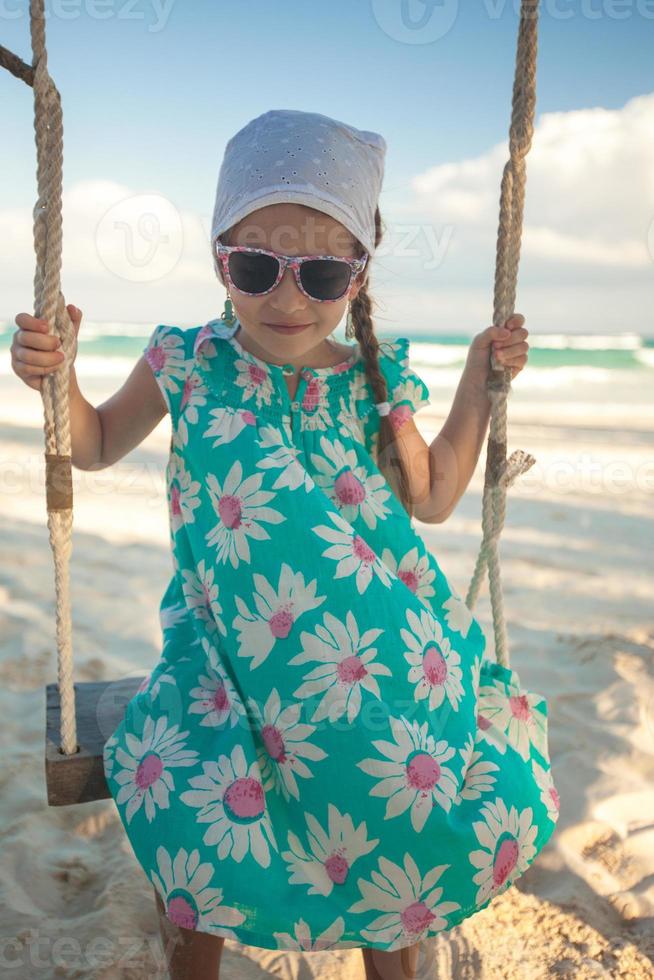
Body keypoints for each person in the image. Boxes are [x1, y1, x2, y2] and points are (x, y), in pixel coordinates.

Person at [11, 109, 557, 980]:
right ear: (221, 258)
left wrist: (477, 389)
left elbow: (436, 495)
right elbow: (94, 443)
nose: (287, 299)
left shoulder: (376, 381)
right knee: (192, 802)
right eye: (256, 267)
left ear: (360, 273)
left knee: (400, 775)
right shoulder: (185, 361)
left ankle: (393, 960)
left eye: (323, 273)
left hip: (377, 639)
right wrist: (59, 376)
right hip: (228, 653)